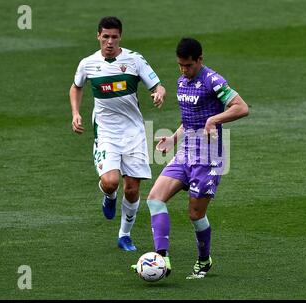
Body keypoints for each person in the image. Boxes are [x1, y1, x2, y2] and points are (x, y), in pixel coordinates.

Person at [134, 37, 249, 278]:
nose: (184, 70)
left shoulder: (213, 81)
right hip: (185, 153)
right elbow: (189, 120)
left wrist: (214, 119)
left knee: (195, 214)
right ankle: (162, 258)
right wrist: (172, 139)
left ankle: (204, 259)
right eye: (180, 65)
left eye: (188, 65)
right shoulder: (181, 81)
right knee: (155, 198)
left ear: (200, 60)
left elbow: (241, 107)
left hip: (208, 157)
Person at [69, 16, 166, 251]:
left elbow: (158, 85)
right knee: (111, 182)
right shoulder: (88, 63)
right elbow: (76, 87)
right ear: (98, 37)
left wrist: (159, 93)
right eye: (105, 37)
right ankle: (109, 196)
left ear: (120, 36)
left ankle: (124, 235)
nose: (110, 42)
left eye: (114, 37)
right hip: (106, 132)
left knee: (132, 188)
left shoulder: (134, 60)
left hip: (134, 132)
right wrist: (75, 113)